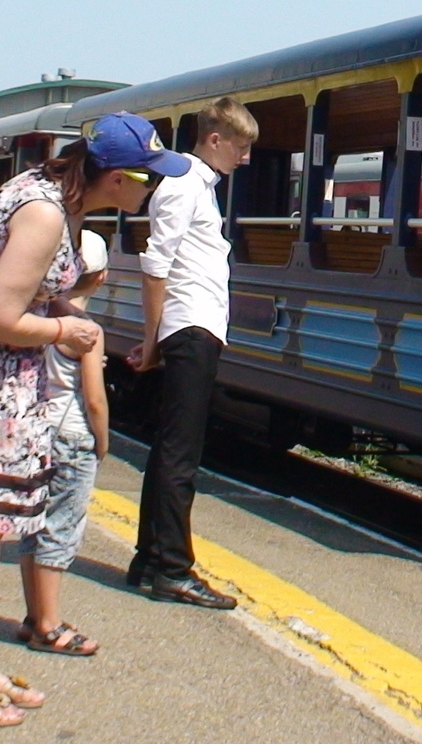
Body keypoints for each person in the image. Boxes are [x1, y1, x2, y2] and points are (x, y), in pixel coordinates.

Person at [0, 112, 187, 727]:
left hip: (0, 385)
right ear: (118, 179)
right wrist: (66, 328)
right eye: (147, 179)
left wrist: (58, 308)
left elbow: (17, 289)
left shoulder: (60, 202)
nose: (152, 191)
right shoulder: (45, 213)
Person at [125, 96, 257, 608]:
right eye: (241, 147)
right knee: (182, 455)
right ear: (216, 139)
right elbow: (155, 263)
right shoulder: (184, 185)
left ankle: (150, 559)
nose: (245, 158)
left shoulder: (198, 186)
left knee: (169, 450)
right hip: (190, 329)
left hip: (191, 328)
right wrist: (153, 340)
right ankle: (174, 571)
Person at [15, 230, 111, 656]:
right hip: (73, 436)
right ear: (103, 277)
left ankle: (35, 615)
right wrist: (102, 441)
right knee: (61, 530)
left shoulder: (36, 319)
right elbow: (93, 398)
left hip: (37, 432)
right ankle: (50, 626)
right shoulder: (86, 330)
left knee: (32, 527)